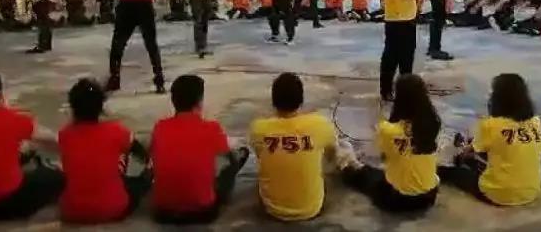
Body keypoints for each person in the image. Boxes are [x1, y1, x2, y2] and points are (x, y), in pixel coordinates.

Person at [0, 70, 64, 220]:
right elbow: (51, 139)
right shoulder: (14, 119)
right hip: (8, 203)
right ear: (0, 94)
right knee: (54, 176)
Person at [151, 75, 249, 223]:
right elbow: (227, 158)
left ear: (173, 101)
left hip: (163, 212)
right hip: (203, 212)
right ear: (199, 101)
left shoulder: (160, 127)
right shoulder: (212, 128)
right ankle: (222, 197)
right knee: (236, 158)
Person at [440, 73, 541, 206]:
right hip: (532, 192)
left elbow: (467, 153)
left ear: (497, 98)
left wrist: (461, 153)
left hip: (498, 194)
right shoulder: (537, 122)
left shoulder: (491, 124)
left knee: (452, 172)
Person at [339, 74, 439, 212]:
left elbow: (380, 156)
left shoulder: (388, 130)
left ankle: (349, 167)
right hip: (429, 196)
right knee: (383, 171)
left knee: (356, 174)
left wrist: (377, 121)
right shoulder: (433, 124)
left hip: (398, 199)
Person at [58, 78, 150, 224]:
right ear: (101, 107)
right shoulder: (117, 130)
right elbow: (142, 154)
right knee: (141, 178)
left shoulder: (65, 134)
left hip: (73, 211)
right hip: (112, 209)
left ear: (73, 107)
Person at [250, 73, 337, 221]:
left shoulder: (259, 128)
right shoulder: (320, 124)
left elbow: (260, 156)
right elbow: (332, 156)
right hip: (311, 208)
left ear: (273, 101)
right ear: (301, 100)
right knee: (335, 149)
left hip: (272, 208)